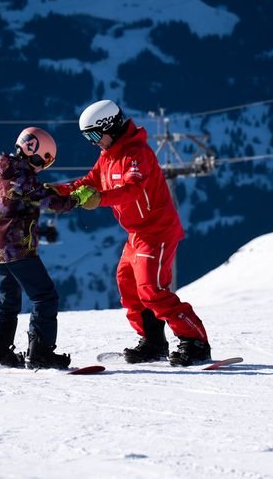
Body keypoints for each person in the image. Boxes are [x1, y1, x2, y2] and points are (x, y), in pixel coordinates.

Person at [53, 100, 212, 367]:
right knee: (127, 283)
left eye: (93, 135)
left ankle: (195, 342)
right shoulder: (108, 155)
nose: (92, 143)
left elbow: (134, 189)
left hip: (157, 230)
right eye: (86, 138)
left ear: (110, 127)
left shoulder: (135, 153)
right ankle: (152, 341)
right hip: (136, 233)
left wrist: (99, 199)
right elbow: (90, 182)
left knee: (152, 289)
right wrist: (59, 191)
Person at [0, 126, 90, 370]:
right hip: (17, 248)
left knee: (8, 298)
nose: (44, 167)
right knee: (45, 296)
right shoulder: (22, 179)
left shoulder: (8, 172)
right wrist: (77, 198)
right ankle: (40, 353)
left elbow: (23, 205)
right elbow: (49, 200)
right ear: (37, 155)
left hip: (0, 247)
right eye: (47, 161)